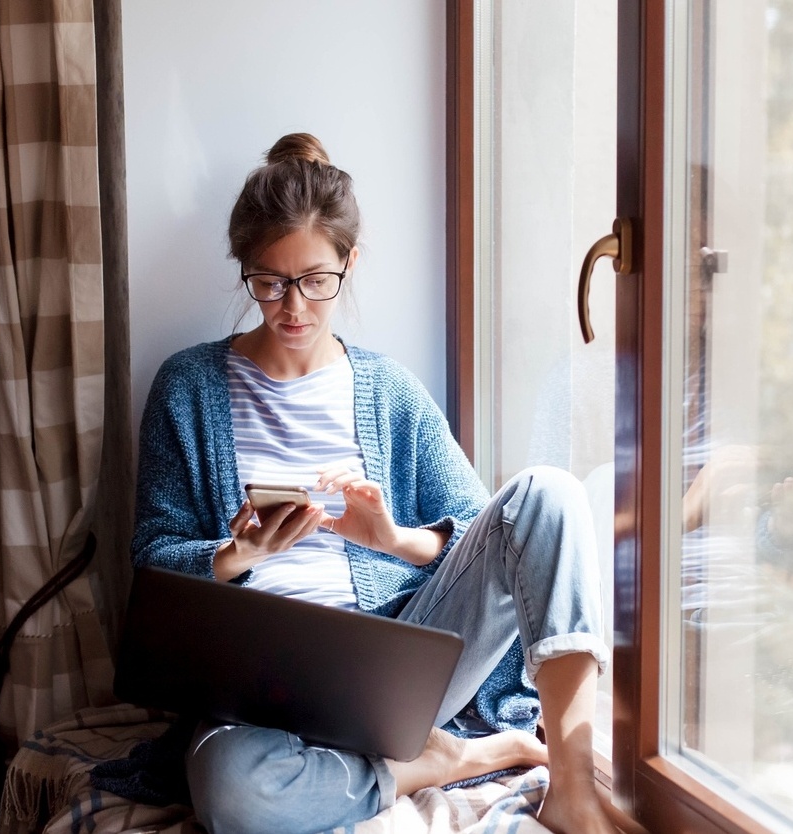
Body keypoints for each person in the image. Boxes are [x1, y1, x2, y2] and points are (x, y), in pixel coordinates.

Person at [130, 132, 615, 834]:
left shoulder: (389, 391)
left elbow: (496, 542)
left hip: (396, 671)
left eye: (316, 281)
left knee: (550, 495)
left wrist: (394, 540)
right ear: (244, 271)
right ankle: (434, 764)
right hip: (255, 693)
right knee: (234, 796)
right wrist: (238, 556)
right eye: (269, 282)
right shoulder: (187, 387)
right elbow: (150, 557)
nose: (293, 307)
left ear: (349, 265)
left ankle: (572, 785)